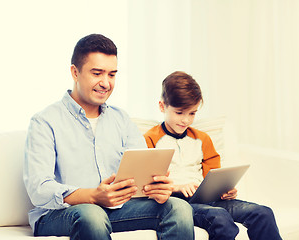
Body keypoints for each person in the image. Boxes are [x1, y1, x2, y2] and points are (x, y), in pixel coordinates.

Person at [23, 34, 194, 240]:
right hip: (59, 214)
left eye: (112, 75)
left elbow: (144, 174)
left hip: (116, 210)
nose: (106, 83)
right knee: (92, 214)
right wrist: (93, 196)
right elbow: (39, 189)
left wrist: (157, 188)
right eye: (97, 73)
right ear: (75, 72)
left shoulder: (121, 119)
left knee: (178, 208)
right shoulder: (44, 121)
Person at [144, 71, 283, 240]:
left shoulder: (202, 139)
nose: (186, 120)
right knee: (220, 218)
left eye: (192, 113)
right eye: (180, 113)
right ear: (162, 106)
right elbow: (147, 186)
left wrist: (224, 190)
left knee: (263, 213)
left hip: (207, 200)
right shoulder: (149, 139)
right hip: (178, 204)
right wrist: (177, 187)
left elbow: (213, 176)